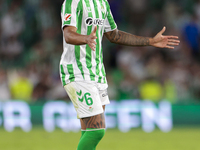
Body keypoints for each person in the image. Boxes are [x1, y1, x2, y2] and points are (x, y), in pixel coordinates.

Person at [60, 0, 180, 150]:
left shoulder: (103, 3)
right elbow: (68, 34)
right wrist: (86, 38)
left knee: (89, 129)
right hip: (77, 70)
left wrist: (150, 41)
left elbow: (114, 35)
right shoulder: (73, 2)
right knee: (97, 131)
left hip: (97, 72)